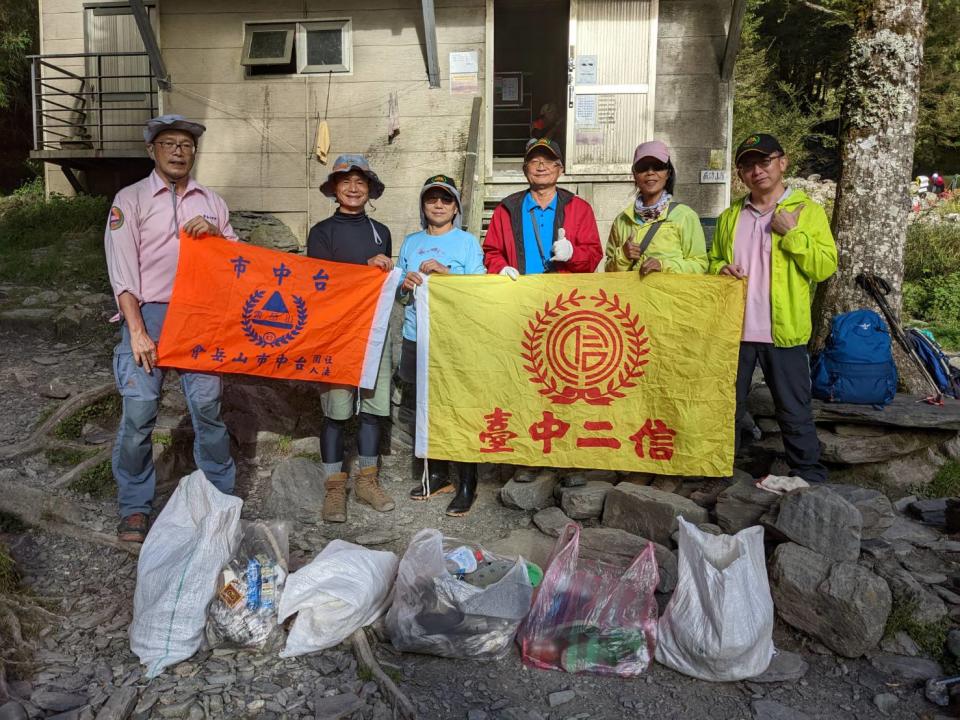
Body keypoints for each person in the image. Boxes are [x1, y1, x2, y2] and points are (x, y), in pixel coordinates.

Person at [105, 114, 237, 543]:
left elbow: (237, 264)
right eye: (170, 144)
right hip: (149, 315)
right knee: (140, 413)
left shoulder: (212, 201)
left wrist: (216, 236)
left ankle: (218, 498)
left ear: (194, 152)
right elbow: (122, 270)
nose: (179, 151)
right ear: (152, 151)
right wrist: (137, 330)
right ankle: (135, 507)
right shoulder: (131, 199)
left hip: (200, 317)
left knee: (208, 409)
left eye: (186, 144)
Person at [706, 133, 837, 503]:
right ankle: (718, 469)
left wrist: (792, 234)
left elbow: (825, 267)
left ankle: (809, 475)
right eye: (748, 164)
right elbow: (712, 261)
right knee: (726, 405)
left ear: (783, 162)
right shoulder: (732, 215)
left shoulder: (806, 211)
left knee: (793, 407)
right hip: (736, 330)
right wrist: (720, 269)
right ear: (740, 174)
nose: (757, 170)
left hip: (785, 330)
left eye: (765, 161)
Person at [483, 137, 602, 487]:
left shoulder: (578, 208)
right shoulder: (507, 208)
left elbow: (593, 255)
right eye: (534, 161)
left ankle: (571, 456)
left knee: (570, 381)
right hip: (520, 307)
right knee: (526, 381)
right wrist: (500, 267)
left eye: (548, 161)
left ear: (560, 170)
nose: (541, 166)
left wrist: (573, 255)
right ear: (524, 169)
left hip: (565, 310)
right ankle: (531, 454)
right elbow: (490, 251)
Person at [307, 155, 396, 523]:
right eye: (346, 181)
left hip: (374, 328)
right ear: (334, 189)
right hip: (335, 331)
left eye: (361, 181)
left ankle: (367, 482)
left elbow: (384, 283)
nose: (354, 188)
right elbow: (321, 283)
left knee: (373, 408)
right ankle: (333, 489)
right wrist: (364, 270)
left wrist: (386, 268)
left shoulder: (382, 232)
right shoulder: (321, 232)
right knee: (337, 412)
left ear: (370, 189)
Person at [396, 175, 486, 516]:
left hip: (455, 340)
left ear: (455, 208)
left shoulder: (466, 243)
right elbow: (399, 294)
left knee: (458, 409)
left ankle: (467, 483)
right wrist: (404, 282)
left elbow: (480, 290)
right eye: (431, 199)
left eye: (445, 200)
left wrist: (446, 273)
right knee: (423, 406)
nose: (438, 205)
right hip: (416, 335)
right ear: (423, 205)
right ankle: (436, 475)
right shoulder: (409, 242)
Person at [605, 140, 708, 275]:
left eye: (658, 166)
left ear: (668, 173)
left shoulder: (685, 216)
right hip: (634, 296)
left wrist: (663, 266)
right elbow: (608, 272)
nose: (650, 172)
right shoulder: (621, 221)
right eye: (643, 167)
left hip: (670, 296)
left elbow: (700, 265)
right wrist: (623, 256)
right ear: (634, 175)